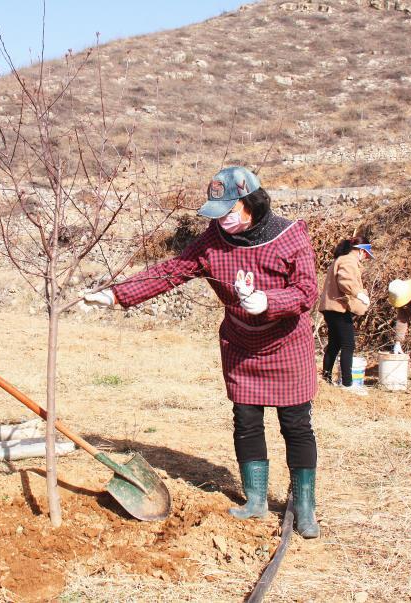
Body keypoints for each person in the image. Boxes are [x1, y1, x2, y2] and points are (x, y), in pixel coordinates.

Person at [84, 166, 320, 538]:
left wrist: (269, 301)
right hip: (242, 346)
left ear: (250, 204)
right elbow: (171, 271)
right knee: (246, 420)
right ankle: (255, 500)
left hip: (287, 344)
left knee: (295, 424)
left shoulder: (290, 237)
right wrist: (115, 293)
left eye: (229, 211)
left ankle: (305, 507)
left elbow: (308, 291)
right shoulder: (213, 241)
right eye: (218, 213)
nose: (222, 221)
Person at [318, 237, 373, 393]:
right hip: (338, 308)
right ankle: (348, 384)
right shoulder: (349, 261)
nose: (366, 258)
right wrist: (359, 294)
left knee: (334, 344)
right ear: (361, 251)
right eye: (366, 255)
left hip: (330, 307)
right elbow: (345, 281)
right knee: (348, 344)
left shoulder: (340, 259)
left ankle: (327, 379)